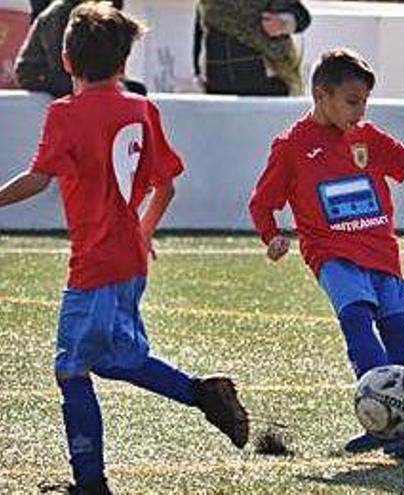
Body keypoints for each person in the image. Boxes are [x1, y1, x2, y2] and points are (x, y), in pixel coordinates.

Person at [0, 3, 249, 493]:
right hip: (129, 261)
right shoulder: (141, 108)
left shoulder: (64, 114)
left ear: (66, 60)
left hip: (93, 264)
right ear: (124, 62)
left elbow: (37, 179)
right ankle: (204, 394)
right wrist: (143, 230)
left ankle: (90, 483)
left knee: (71, 368)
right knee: (117, 357)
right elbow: (167, 187)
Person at [248, 47, 404, 462]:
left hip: (382, 253)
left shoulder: (367, 137)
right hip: (332, 256)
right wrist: (271, 235)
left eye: (364, 102)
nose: (359, 112)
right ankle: (384, 419)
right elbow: (261, 202)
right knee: (358, 320)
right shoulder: (291, 146)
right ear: (321, 95)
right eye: (351, 101)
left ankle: (399, 430)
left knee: (399, 336)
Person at [15, 0, 147, 98]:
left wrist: (120, 84)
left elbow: (108, 60)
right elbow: (62, 66)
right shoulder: (59, 14)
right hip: (48, 75)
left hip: (87, 76)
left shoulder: (107, 12)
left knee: (137, 90)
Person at [194, 0, 310, 96]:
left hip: (265, 84)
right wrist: (198, 73)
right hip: (219, 84)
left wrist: (282, 23)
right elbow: (200, 34)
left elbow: (302, 17)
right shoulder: (207, 3)